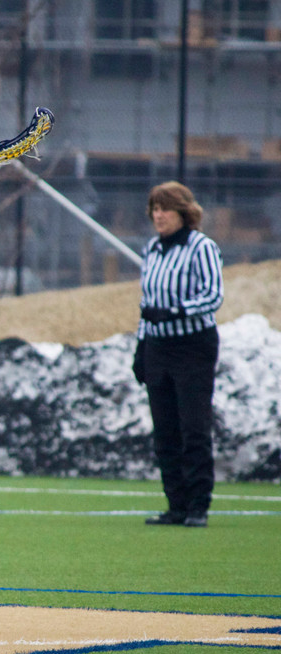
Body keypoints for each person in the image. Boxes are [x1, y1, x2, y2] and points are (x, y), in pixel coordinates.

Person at [131, 181, 224, 528]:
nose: (158, 215)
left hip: (193, 347)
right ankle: (176, 504)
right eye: (154, 209)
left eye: (165, 209)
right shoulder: (152, 250)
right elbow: (146, 306)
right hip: (158, 347)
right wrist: (141, 347)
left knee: (193, 427)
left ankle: (198, 505)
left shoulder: (202, 247)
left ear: (183, 212)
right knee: (165, 430)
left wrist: (177, 311)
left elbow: (213, 295)